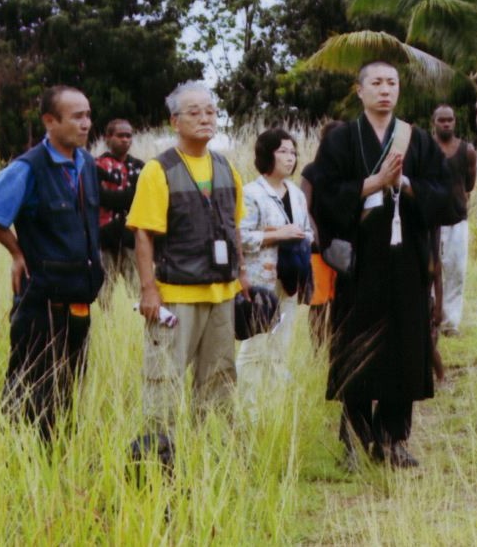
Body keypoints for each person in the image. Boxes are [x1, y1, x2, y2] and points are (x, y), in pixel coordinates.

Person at [309, 61, 452, 469]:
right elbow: (322, 196)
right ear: (360, 90)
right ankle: (355, 437)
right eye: (376, 83)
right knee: (357, 346)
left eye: (391, 83)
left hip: (406, 259)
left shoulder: (417, 140)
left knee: (405, 348)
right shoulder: (340, 141)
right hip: (361, 262)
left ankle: (393, 441)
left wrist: (406, 185)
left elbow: (446, 196)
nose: (385, 90)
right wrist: (372, 184)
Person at [0, 85, 104, 440]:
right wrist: (16, 252)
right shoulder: (28, 168)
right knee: (30, 386)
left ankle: (57, 458)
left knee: (68, 385)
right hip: (41, 302)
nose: (86, 123)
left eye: (88, 115)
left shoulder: (87, 164)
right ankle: (17, 460)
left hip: (79, 300)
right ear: (49, 121)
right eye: (77, 116)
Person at [128, 82, 248, 430]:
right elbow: (143, 234)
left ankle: (211, 457)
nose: (205, 118)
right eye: (194, 112)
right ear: (174, 122)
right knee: (163, 380)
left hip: (222, 295)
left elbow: (234, 229)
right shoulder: (158, 169)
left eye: (210, 112)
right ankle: (159, 459)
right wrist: (148, 289)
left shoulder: (227, 167)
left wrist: (243, 276)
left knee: (220, 381)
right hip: (176, 296)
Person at [237, 128, 313, 391]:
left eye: (293, 152)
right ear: (267, 155)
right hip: (261, 277)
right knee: (255, 344)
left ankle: (274, 403)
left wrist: (302, 237)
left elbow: (307, 232)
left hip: (291, 277)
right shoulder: (250, 193)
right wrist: (279, 234)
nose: (290, 158)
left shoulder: (297, 194)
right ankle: (250, 407)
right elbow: (241, 236)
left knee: (282, 343)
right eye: (283, 151)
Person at [432, 104, 477, 335]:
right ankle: (430, 317)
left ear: (455, 122)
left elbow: (470, 183)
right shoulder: (427, 149)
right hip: (430, 221)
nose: (446, 124)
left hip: (457, 219)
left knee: (456, 271)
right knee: (431, 271)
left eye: (450, 120)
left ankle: (451, 323)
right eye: (442, 120)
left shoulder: (466, 150)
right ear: (434, 122)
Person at [95, 118, 144, 306]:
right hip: (104, 238)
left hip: (133, 238)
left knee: (139, 290)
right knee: (103, 295)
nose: (125, 139)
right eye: (120, 135)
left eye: (128, 135)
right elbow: (99, 198)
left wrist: (116, 197)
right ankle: (109, 331)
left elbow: (144, 199)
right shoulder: (96, 165)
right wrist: (129, 197)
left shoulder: (141, 167)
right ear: (108, 138)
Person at [301, 121, 340, 348]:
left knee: (340, 302)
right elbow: (304, 208)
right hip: (319, 249)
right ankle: (318, 349)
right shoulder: (311, 171)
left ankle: (336, 347)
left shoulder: (350, 171)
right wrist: (316, 236)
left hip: (344, 247)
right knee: (319, 302)